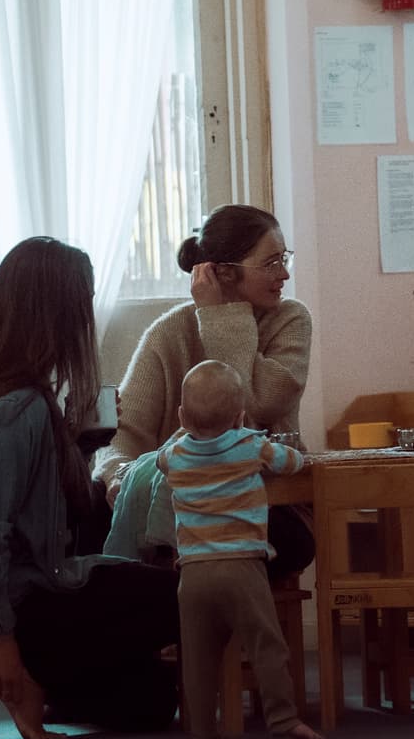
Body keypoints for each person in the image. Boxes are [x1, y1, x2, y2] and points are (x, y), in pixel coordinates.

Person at [0, 237, 182, 739]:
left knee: (150, 703)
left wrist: (76, 443)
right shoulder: (17, 408)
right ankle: (7, 672)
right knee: (186, 595)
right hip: (12, 611)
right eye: (83, 302)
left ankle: (4, 680)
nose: (86, 317)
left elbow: (45, 509)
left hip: (10, 604)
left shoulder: (3, 392)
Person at [94, 204, 315, 580]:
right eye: (271, 263)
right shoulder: (170, 331)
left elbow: (259, 404)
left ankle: (183, 592)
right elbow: (123, 432)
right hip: (183, 504)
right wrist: (117, 474)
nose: (284, 273)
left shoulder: (291, 319)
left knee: (278, 542)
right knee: (96, 510)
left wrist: (221, 317)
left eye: (284, 258)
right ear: (224, 272)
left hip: (266, 503)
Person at [160, 360, 321, 739]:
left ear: (182, 416)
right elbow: (291, 462)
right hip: (242, 568)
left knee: (198, 656)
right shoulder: (249, 445)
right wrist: (291, 453)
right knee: (267, 644)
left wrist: (183, 431)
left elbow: (161, 457)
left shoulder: (174, 456)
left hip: (193, 574)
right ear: (239, 416)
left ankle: (202, 726)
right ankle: (283, 719)